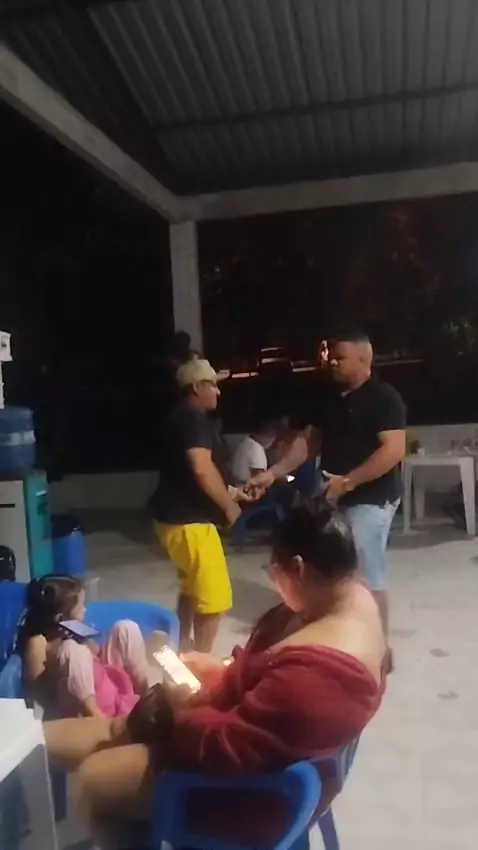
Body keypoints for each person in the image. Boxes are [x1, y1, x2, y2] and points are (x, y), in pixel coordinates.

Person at [44, 506, 386, 847]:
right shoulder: (348, 596)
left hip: (247, 793)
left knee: (90, 781)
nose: (274, 582)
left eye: (274, 571)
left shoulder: (316, 676)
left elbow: (226, 749)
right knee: (114, 729)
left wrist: (182, 710)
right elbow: (269, 689)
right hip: (251, 748)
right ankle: (31, 749)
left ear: (298, 568)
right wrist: (222, 671)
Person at [249, 333, 406, 664]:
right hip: (334, 494)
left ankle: (378, 650)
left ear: (364, 359)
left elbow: (393, 450)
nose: (333, 361)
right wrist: (273, 473)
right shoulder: (330, 398)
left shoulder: (385, 398)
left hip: (371, 497)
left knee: (365, 571)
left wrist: (348, 482)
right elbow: (309, 445)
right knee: (330, 566)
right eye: (332, 356)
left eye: (341, 357)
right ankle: (338, 630)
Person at [150, 357, 250, 653]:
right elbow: (201, 468)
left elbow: (189, 473)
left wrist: (232, 492)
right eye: (213, 385)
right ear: (196, 388)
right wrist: (229, 506)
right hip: (189, 523)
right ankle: (201, 662)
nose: (218, 391)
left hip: (173, 518)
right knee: (214, 598)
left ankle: (183, 647)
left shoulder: (180, 417)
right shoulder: (194, 419)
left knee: (192, 588)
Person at [17, 575, 151, 719]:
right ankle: (97, 717)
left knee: (125, 628)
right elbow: (39, 693)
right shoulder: (38, 642)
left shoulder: (75, 630)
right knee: (72, 649)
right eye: (81, 606)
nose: (85, 610)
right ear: (60, 618)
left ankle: (147, 692)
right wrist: (60, 659)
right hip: (78, 704)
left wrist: (84, 640)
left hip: (103, 684)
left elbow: (97, 657)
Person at [230, 422, 277, 486]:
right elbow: (258, 477)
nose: (272, 443)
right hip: (243, 488)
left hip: (233, 483)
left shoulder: (246, 441)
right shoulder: (257, 450)